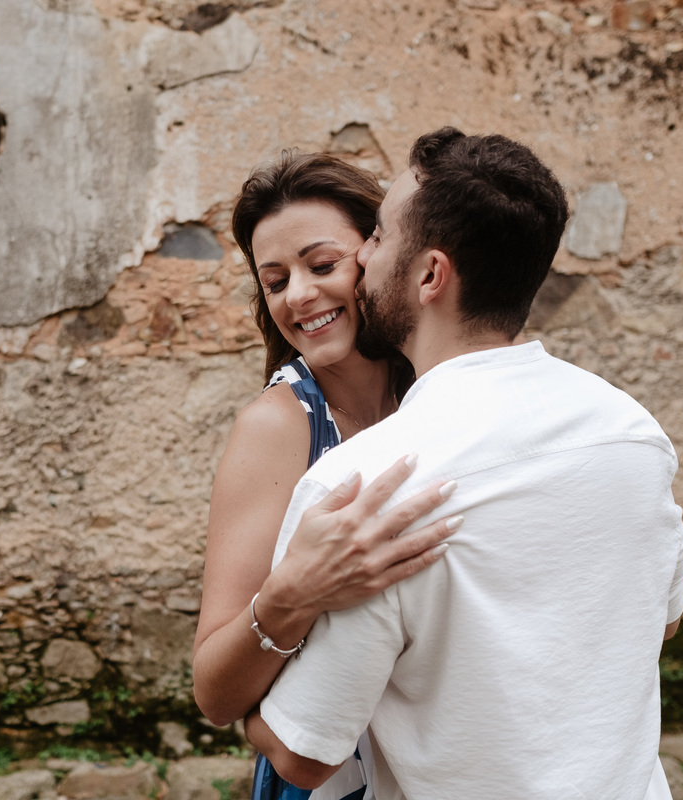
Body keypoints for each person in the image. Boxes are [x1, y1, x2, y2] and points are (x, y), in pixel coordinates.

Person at [244, 128, 683, 799]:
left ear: (430, 274)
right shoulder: (632, 432)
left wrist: (247, 706)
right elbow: (663, 621)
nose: (364, 256)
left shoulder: (367, 484)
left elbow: (304, 755)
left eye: (381, 236)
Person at [192, 153, 462, 800]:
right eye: (276, 281)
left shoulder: (445, 395)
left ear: (382, 255)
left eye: (322, 265)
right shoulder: (278, 427)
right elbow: (213, 690)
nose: (300, 296)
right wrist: (295, 594)